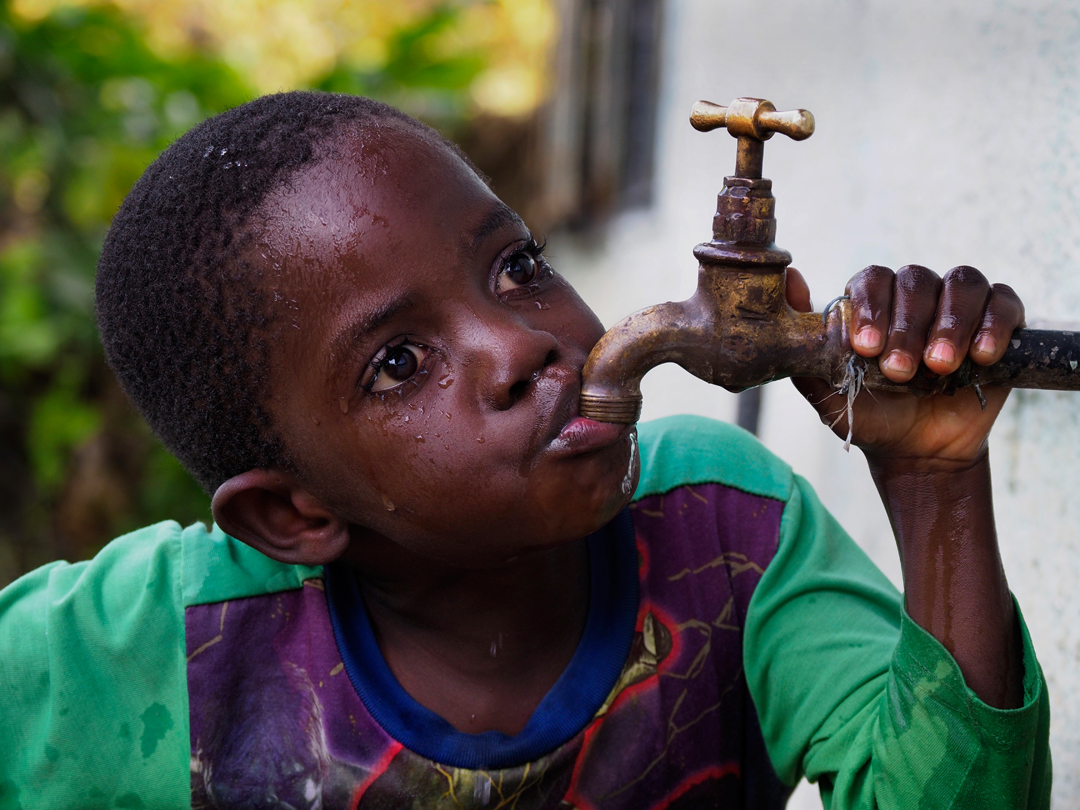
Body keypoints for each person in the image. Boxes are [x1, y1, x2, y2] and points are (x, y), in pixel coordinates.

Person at [0, 91, 1050, 809]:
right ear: (295, 517)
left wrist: (933, 480)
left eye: (515, 266)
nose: (521, 344)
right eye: (400, 362)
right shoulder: (161, 645)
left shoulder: (726, 530)